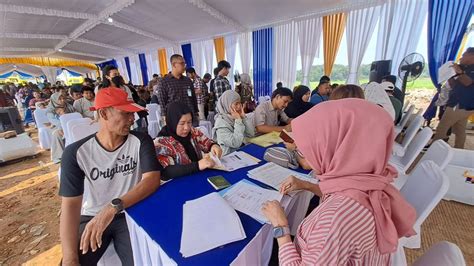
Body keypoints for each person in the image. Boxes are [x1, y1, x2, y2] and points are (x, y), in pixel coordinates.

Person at [262, 98, 417, 265]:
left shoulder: (333, 221)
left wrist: (281, 227)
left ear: (338, 146)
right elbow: (345, 193)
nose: (304, 152)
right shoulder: (371, 181)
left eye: (311, 145)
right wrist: (307, 184)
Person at [59, 87, 162, 266]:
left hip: (129, 213)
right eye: (125, 113)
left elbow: (151, 180)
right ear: (104, 114)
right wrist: (69, 258)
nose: (132, 119)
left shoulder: (140, 141)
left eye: (133, 113)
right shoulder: (76, 153)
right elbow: (70, 206)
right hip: (92, 216)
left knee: (139, 261)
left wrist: (112, 208)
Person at [154, 102, 222, 180]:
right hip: (178, 183)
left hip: (197, 177)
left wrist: (214, 146)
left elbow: (207, 143)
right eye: (182, 123)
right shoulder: (161, 143)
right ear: (172, 121)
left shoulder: (193, 132)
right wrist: (197, 166)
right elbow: (165, 172)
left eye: (189, 122)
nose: (186, 127)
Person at [432, 47, 474, 149]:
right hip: (460, 103)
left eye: (464, 55)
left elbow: (467, 82)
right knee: (460, 130)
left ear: (471, 56)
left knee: (442, 127)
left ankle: (435, 150)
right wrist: (450, 75)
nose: (461, 57)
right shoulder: (465, 68)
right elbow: (455, 85)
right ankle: (459, 150)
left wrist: (458, 71)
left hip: (460, 104)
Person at [156, 54, 199, 126]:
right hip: (174, 117)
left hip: (190, 115)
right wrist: (165, 117)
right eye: (182, 63)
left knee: (193, 136)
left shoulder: (187, 80)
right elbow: (162, 101)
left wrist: (196, 112)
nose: (184, 66)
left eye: (184, 63)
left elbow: (193, 97)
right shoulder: (164, 81)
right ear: (174, 65)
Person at [212, 90, 255, 155]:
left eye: (240, 103)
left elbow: (251, 134)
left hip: (241, 152)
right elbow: (236, 143)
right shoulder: (220, 124)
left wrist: (244, 118)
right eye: (236, 104)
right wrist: (238, 120)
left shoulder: (236, 117)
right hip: (229, 157)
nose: (239, 106)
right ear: (227, 105)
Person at [46, 92, 75, 163]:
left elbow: (75, 114)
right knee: (57, 134)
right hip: (57, 126)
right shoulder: (50, 110)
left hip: (70, 124)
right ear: (54, 100)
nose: (62, 100)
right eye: (60, 99)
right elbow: (55, 121)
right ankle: (60, 156)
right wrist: (62, 128)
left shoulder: (69, 106)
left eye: (63, 98)